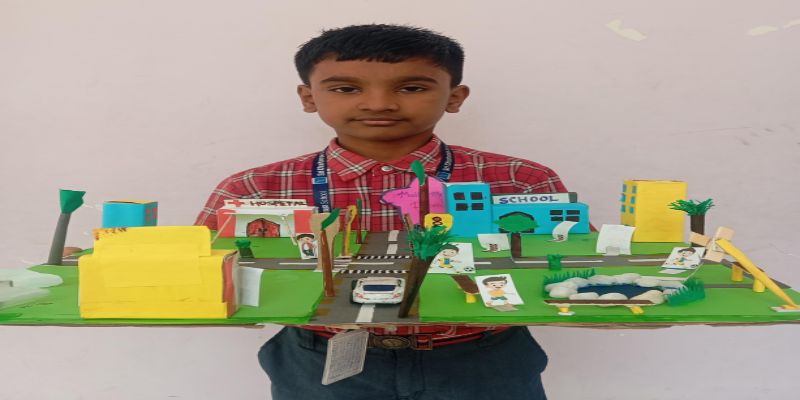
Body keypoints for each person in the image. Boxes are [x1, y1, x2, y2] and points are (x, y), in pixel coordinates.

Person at [196, 24, 568, 400]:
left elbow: (563, 264)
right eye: (346, 88)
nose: (378, 104)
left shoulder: (521, 180)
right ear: (308, 97)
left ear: (455, 97)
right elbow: (203, 273)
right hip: (318, 358)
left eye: (412, 88)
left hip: (483, 359)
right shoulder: (252, 188)